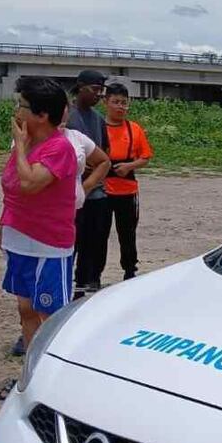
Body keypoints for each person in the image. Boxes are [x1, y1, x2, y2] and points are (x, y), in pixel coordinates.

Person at [0, 77, 78, 393]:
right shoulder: (29, 143)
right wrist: (4, 228)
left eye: (22, 106)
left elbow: (30, 183)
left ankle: (58, 381)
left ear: (42, 115)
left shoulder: (59, 147)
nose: (17, 111)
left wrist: (19, 145)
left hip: (48, 245)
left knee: (51, 315)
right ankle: (31, 376)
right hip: (19, 240)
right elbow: (11, 191)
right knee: (26, 310)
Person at [65, 69, 109, 297]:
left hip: (96, 193)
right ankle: (64, 286)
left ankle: (83, 288)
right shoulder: (68, 117)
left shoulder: (98, 119)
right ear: (80, 87)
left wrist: (92, 180)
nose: (99, 95)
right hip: (72, 195)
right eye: (95, 90)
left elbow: (104, 154)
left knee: (92, 245)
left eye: (101, 91)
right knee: (70, 244)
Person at [102, 83, 153, 281]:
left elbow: (145, 157)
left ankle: (130, 271)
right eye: (115, 102)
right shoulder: (98, 127)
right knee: (98, 234)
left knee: (128, 234)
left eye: (124, 103)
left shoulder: (134, 129)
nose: (120, 107)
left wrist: (129, 166)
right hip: (102, 191)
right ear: (106, 102)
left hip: (127, 191)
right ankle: (92, 274)